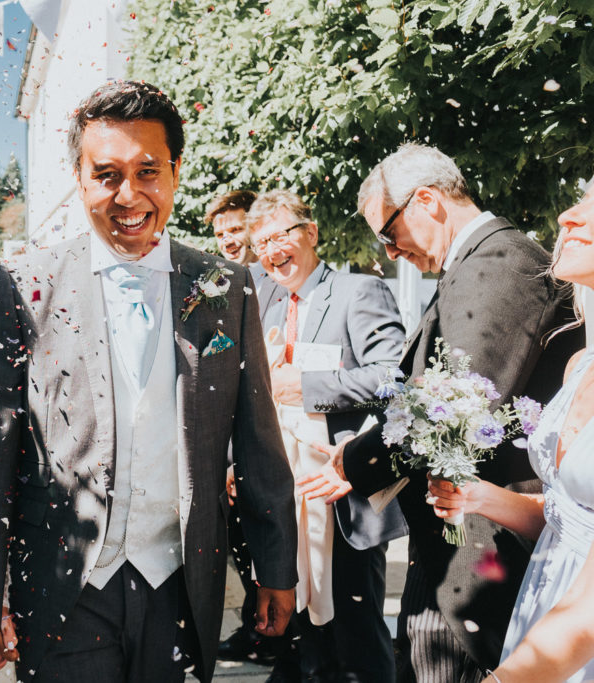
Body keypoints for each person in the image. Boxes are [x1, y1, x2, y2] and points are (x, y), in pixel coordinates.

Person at [0, 80, 298, 683]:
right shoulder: (23, 285)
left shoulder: (227, 288)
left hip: (180, 584)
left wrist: (276, 566)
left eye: (147, 172)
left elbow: (258, 440)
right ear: (79, 179)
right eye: (106, 174)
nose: (128, 195)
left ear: (176, 172)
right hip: (63, 586)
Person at [299, 143, 583, 681]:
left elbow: (455, 407)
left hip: (486, 555)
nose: (389, 253)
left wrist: (353, 462)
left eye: (388, 232)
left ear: (426, 200)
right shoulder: (476, 265)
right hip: (461, 542)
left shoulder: (497, 263)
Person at [426, 183, 594, 683]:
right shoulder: (580, 365)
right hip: (544, 607)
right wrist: (483, 498)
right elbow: (571, 521)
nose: (568, 215)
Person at [252, 189, 407, 682]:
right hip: (285, 496)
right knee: (302, 637)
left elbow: (393, 377)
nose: (272, 251)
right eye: (261, 244)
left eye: (281, 235)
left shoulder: (358, 291)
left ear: (311, 233)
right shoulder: (265, 303)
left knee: (357, 636)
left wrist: (308, 387)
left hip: (342, 492)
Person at [204, 188, 278, 666]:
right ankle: (257, 629)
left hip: (280, 439)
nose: (230, 240)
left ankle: (277, 635)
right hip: (232, 441)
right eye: (221, 233)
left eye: (237, 229)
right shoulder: (217, 286)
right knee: (242, 545)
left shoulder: (282, 282)